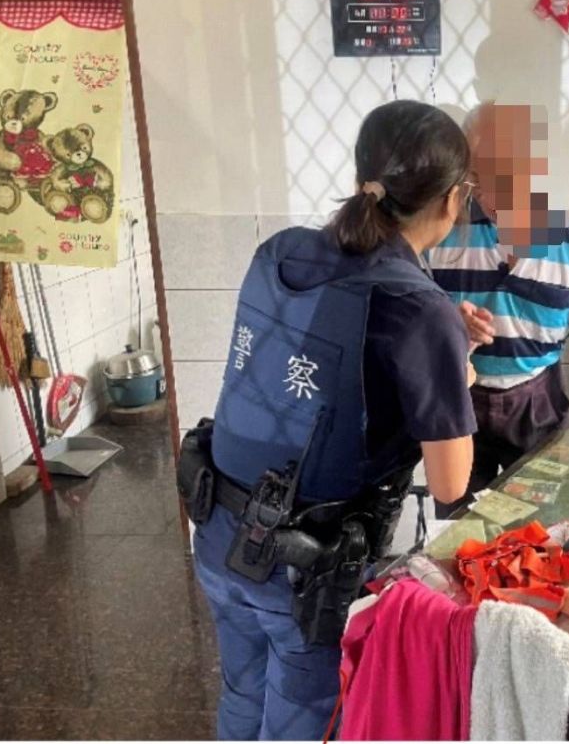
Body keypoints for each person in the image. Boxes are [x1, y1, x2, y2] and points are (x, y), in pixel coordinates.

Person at [178, 100, 477, 740]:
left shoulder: (281, 251)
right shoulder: (420, 308)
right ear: (454, 199)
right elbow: (450, 482)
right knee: (305, 718)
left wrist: (446, 358)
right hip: (302, 572)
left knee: (243, 694)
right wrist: (455, 370)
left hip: (217, 530)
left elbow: (322, 370)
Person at [428, 102, 569, 516]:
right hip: (461, 402)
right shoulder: (441, 230)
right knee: (459, 529)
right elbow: (410, 323)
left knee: (541, 526)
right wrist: (448, 324)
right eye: (477, 178)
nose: (489, 196)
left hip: (538, 404)